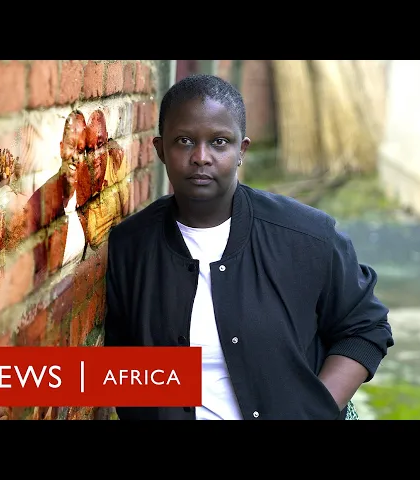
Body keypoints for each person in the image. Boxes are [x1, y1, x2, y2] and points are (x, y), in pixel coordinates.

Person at [103, 74, 394, 420]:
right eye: (184, 141)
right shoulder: (130, 247)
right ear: (160, 150)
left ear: (241, 150)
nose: (201, 157)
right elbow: (122, 363)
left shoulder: (306, 236)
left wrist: (314, 410)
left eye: (219, 142)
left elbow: (365, 326)